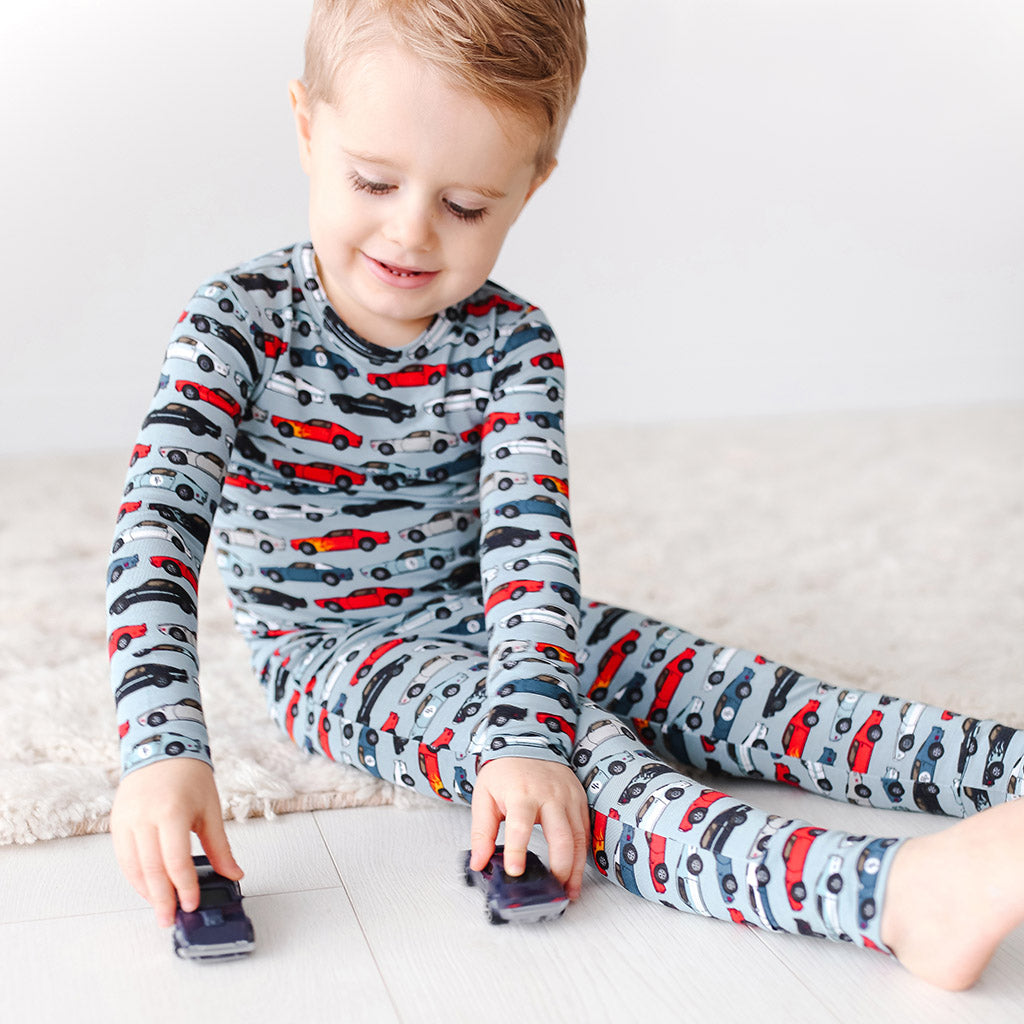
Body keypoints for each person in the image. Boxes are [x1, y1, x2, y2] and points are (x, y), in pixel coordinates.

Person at [107, 0, 1023, 991]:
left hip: (512, 620)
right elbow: (155, 529)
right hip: (338, 652)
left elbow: (529, 547)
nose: (410, 233)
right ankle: (895, 898)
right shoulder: (236, 323)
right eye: (373, 180)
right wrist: (159, 747)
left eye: (465, 206)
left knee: (746, 693)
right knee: (585, 768)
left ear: (530, 186)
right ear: (305, 126)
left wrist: (526, 709)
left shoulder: (515, 342)